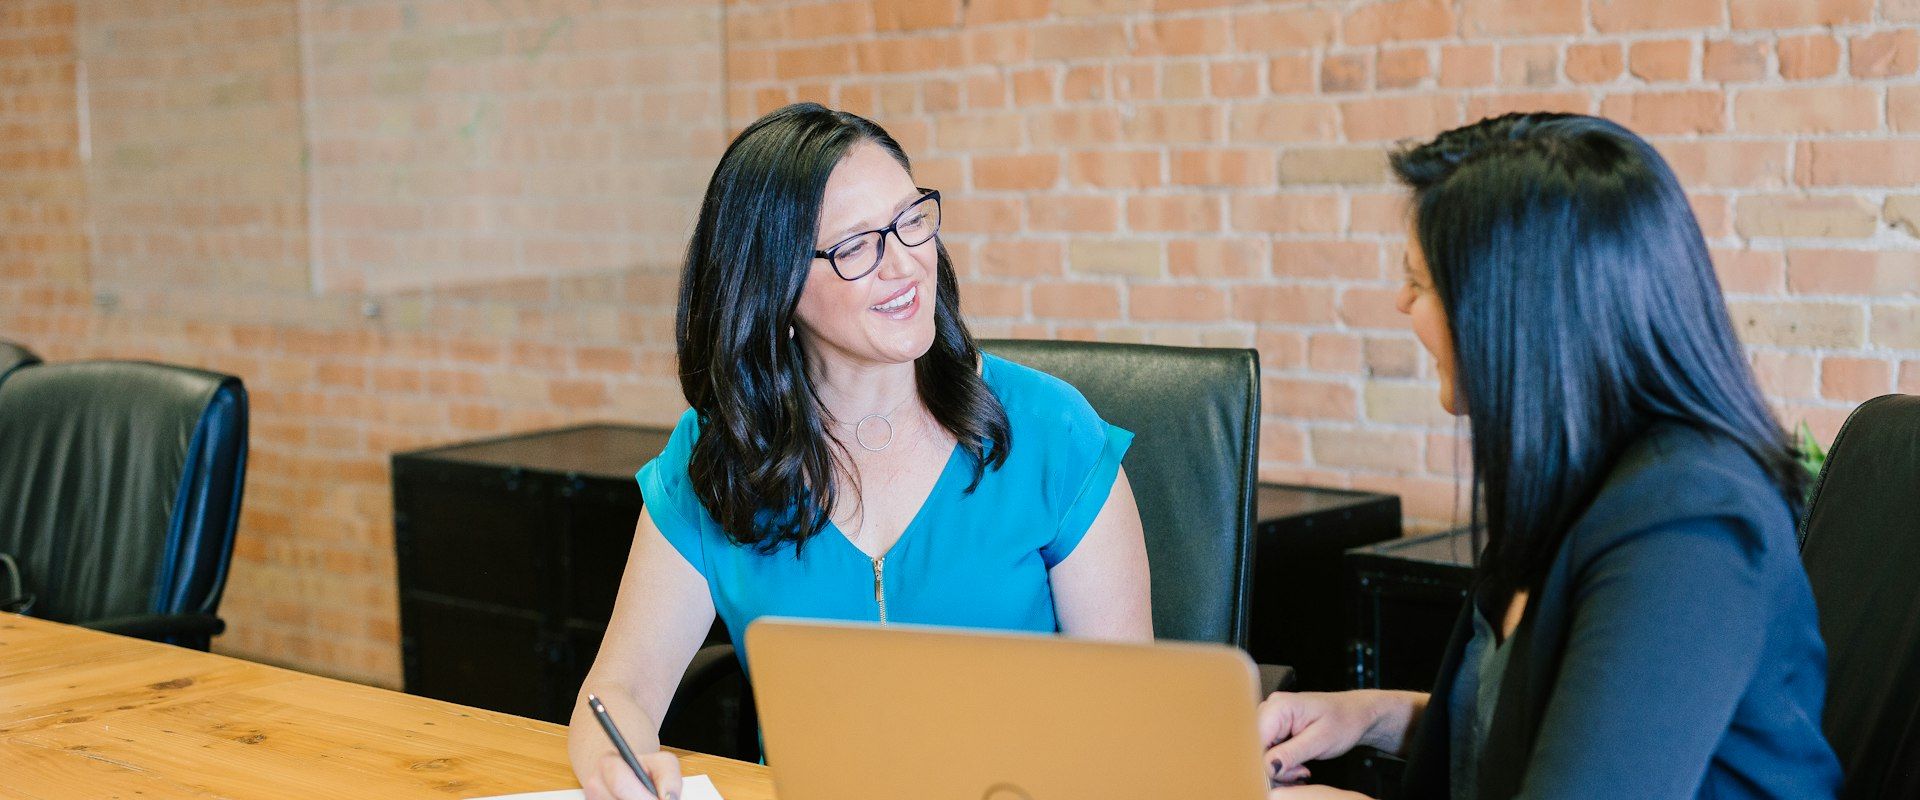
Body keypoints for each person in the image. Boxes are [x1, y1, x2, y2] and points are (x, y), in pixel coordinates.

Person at [568, 103, 1153, 800]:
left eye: (911, 221)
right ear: (774, 286)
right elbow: (620, 689)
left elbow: (1128, 725)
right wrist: (619, 767)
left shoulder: (1050, 433)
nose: (906, 265)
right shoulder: (717, 458)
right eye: (856, 246)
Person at [1258, 114, 1842, 799]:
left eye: (1419, 282)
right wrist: (1367, 715)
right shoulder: (1574, 480)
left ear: (1509, 309)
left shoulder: (1687, 528)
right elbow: (1541, 728)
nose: (1401, 302)